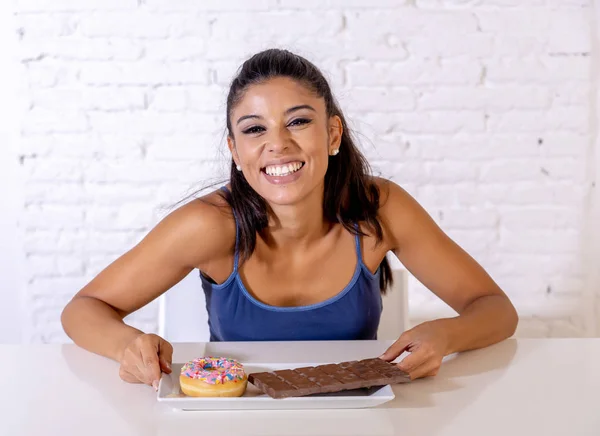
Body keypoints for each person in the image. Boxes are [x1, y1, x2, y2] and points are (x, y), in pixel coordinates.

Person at [61, 48, 518, 391]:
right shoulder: (208, 226)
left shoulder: (380, 209)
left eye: (298, 122)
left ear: (332, 133)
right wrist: (128, 345)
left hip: (357, 417)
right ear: (235, 151)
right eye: (255, 129)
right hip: (239, 419)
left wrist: (445, 333)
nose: (277, 144)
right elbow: (83, 310)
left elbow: (495, 309)